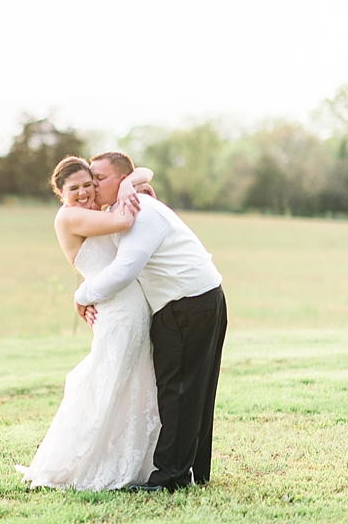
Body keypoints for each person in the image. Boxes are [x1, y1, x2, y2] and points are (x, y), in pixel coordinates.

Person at [75, 151, 227, 492]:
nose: (92, 185)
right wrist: (134, 180)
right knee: (192, 389)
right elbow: (141, 172)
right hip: (199, 299)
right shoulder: (124, 207)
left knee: (180, 391)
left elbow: (125, 270)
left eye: (98, 179)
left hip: (187, 304)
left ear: (120, 179)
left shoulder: (141, 212)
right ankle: (193, 472)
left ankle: (170, 478)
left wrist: (83, 295)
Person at [16, 156, 162, 491]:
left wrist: (126, 183)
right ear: (60, 192)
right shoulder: (69, 217)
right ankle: (87, 463)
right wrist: (128, 191)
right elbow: (125, 220)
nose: (84, 192)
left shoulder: (95, 209)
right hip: (116, 311)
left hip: (132, 308)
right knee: (106, 380)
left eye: (89, 184)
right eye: (74, 188)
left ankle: (136, 460)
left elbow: (143, 172)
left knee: (132, 383)